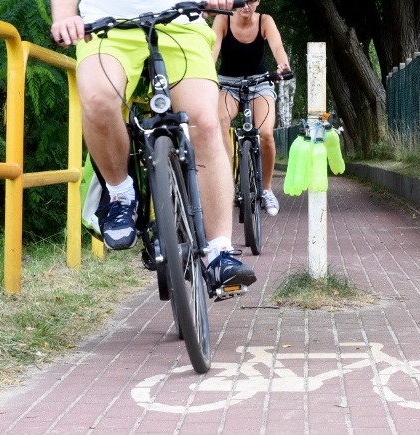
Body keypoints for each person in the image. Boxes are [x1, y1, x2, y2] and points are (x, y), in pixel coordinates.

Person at [50, 0, 256, 295]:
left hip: (181, 22)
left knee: (205, 123)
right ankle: (121, 196)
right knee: (97, 100)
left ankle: (218, 253)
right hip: (106, 25)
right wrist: (64, 17)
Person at [211, 0, 291, 217]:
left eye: (251, 0)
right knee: (220, 121)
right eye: (240, 0)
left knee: (265, 134)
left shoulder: (265, 20)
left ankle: (266, 190)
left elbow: (277, 47)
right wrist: (206, 72)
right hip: (228, 84)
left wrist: (283, 65)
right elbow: (214, 49)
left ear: (258, 1)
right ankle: (226, 184)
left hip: (260, 83)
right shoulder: (222, 19)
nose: (245, 5)